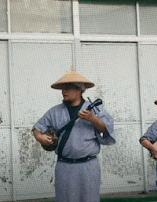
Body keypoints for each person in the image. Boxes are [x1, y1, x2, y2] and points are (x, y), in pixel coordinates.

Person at [33, 70, 116, 202]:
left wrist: (92, 119)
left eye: (68, 88)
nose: (63, 92)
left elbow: (107, 130)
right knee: (65, 199)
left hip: (88, 165)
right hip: (64, 165)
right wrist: (40, 137)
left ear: (79, 90)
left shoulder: (94, 109)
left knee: (90, 198)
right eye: (62, 89)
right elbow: (37, 128)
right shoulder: (55, 111)